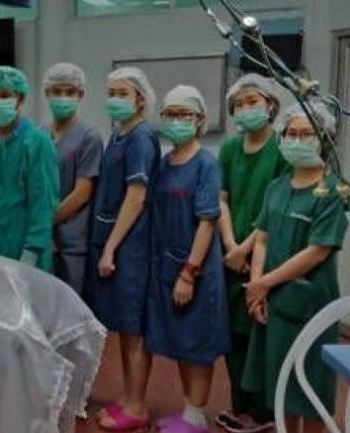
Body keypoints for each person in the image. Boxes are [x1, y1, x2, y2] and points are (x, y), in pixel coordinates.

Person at [243, 102, 347, 433]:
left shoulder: (333, 191)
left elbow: (317, 252)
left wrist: (264, 284)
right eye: (291, 133)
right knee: (280, 388)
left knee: (311, 391)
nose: (297, 141)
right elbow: (261, 238)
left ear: (324, 139)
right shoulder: (277, 187)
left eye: (307, 134)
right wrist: (257, 286)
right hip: (273, 303)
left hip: (310, 307)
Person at [146, 85, 230, 433]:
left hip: (197, 270)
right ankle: (187, 410)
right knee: (181, 341)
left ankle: (196, 415)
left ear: (199, 120)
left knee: (198, 344)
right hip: (168, 265)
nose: (177, 120)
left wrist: (188, 273)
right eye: (171, 114)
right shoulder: (164, 164)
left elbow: (207, 222)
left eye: (185, 114)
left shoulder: (206, 165)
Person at [88, 66, 160, 430]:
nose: (114, 100)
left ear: (140, 99)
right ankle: (128, 397)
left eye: (123, 94)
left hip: (130, 244)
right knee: (123, 327)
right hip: (114, 239)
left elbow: (136, 196)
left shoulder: (141, 138)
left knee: (134, 328)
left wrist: (110, 248)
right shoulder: (118, 135)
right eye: (111, 93)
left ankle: (137, 406)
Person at [215, 73, 287, 433]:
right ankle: (240, 407)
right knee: (233, 337)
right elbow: (221, 199)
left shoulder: (282, 149)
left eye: (253, 101)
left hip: (267, 255)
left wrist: (245, 249)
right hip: (230, 256)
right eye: (239, 104)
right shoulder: (229, 150)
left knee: (259, 334)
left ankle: (264, 411)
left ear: (271, 105)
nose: (245, 109)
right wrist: (231, 246)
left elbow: (276, 208)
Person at [0, 66, 59, 271]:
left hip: (23, 247)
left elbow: (43, 203)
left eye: (5, 95)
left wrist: (32, 251)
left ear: (20, 98)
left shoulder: (37, 143)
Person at [42, 62, 103, 293]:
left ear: (81, 95)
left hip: (71, 242)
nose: (63, 97)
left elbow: (82, 193)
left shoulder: (89, 136)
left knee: (69, 303)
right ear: (47, 94)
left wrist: (45, 220)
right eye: (57, 91)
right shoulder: (40, 134)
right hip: (43, 240)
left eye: (70, 92)